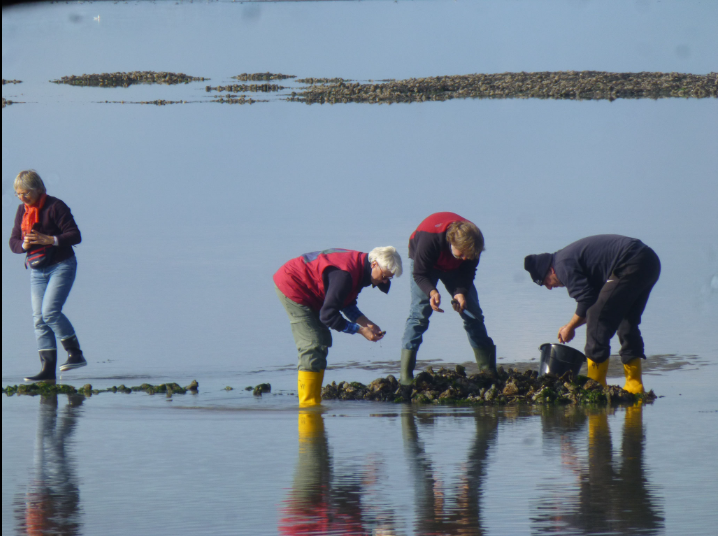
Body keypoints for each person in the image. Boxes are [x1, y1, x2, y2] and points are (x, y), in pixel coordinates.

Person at [524, 234, 661, 393]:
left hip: (629, 262)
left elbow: (588, 303)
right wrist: (572, 326)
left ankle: (596, 384)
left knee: (597, 319)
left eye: (544, 281)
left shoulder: (562, 266)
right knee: (626, 321)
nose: (548, 287)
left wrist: (570, 327)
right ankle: (635, 385)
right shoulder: (566, 259)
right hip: (649, 261)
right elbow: (595, 304)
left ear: (550, 270)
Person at [274, 247, 403, 406]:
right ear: (375, 264)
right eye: (384, 276)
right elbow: (328, 315)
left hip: (312, 290)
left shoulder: (361, 269)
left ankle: (314, 401)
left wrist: (367, 323)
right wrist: (360, 330)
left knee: (323, 340)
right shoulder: (345, 274)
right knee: (313, 344)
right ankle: (308, 406)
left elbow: (345, 302)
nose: (384, 282)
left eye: (388, 279)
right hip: (293, 284)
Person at [400, 212, 496, 385]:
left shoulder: (474, 243)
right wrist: (432, 292)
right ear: (451, 242)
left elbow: (468, 272)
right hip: (425, 266)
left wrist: (460, 292)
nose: (466, 258)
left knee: (473, 313)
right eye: (462, 255)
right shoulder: (429, 239)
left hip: (455, 270)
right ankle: (406, 377)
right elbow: (420, 274)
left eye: (469, 256)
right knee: (419, 315)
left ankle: (488, 370)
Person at [9, 170, 86, 383]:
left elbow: (75, 235)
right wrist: (24, 244)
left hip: (62, 265)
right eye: (18, 194)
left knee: (50, 312)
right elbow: (13, 242)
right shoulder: (21, 211)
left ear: (40, 189)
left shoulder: (55, 206)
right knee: (38, 319)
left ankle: (76, 354)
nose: (23, 198)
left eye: (26, 193)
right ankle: (47, 372)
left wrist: (49, 239)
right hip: (36, 269)